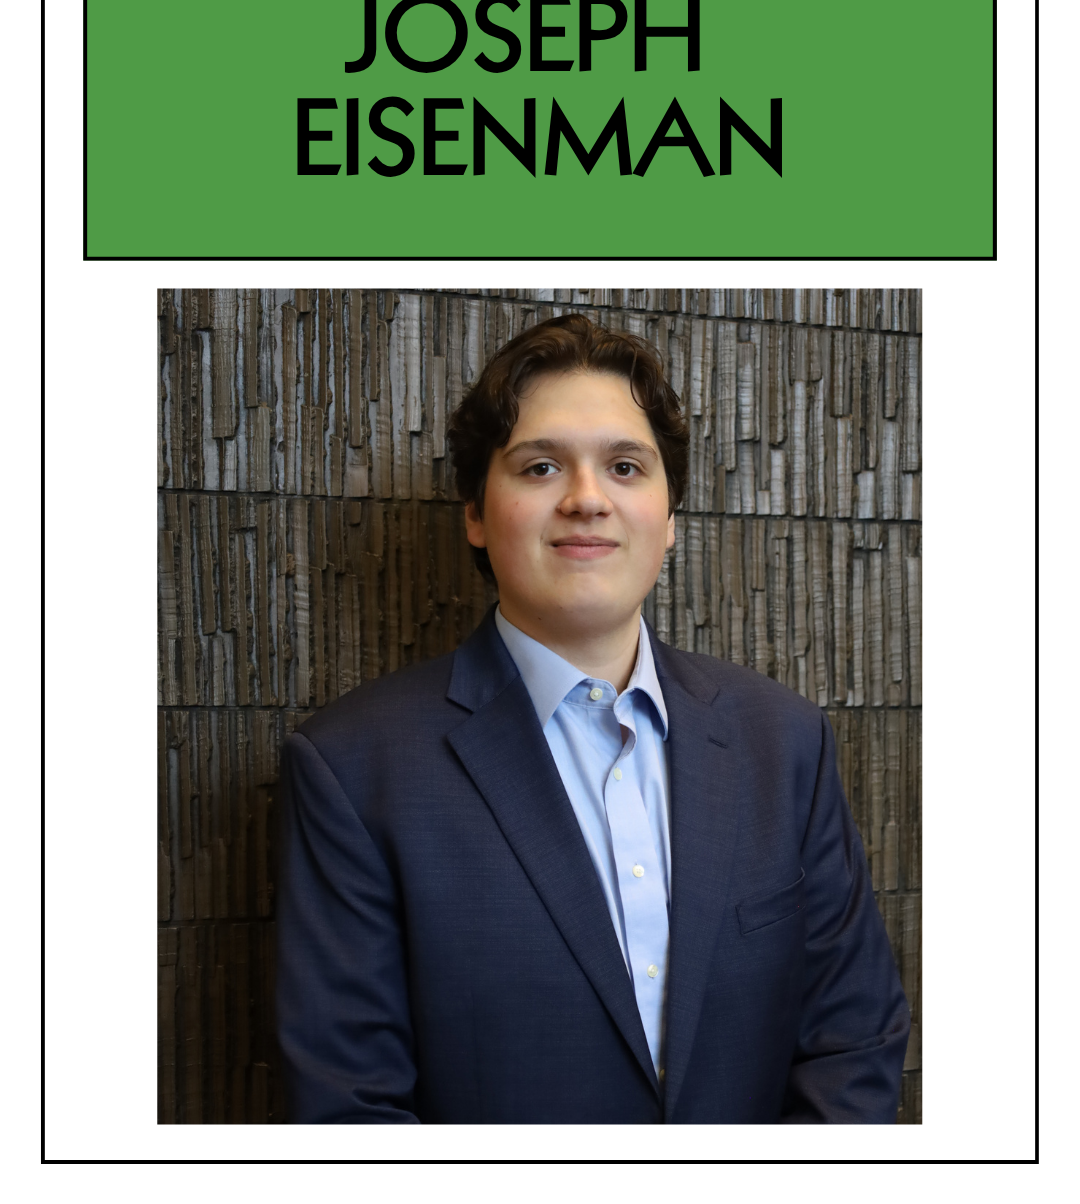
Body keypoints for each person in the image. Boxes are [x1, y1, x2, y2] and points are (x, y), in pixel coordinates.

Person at [275, 313, 910, 1124]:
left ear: (670, 516)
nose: (586, 499)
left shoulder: (783, 740)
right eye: (540, 467)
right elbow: (351, 1110)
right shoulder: (353, 772)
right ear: (476, 512)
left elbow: (852, 1041)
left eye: (624, 466)